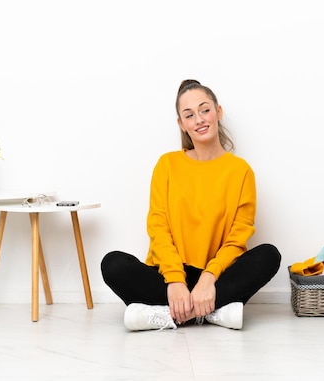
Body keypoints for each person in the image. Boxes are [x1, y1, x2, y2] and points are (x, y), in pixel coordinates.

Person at [101, 79, 282, 331]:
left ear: (218, 112)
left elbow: (238, 236)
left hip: (215, 277)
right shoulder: (167, 165)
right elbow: (158, 226)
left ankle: (168, 314)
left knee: (269, 255)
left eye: (205, 110)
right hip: (170, 275)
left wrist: (209, 277)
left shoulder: (241, 171)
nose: (199, 119)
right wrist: (175, 281)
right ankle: (211, 313)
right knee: (113, 264)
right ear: (182, 124)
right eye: (189, 115)